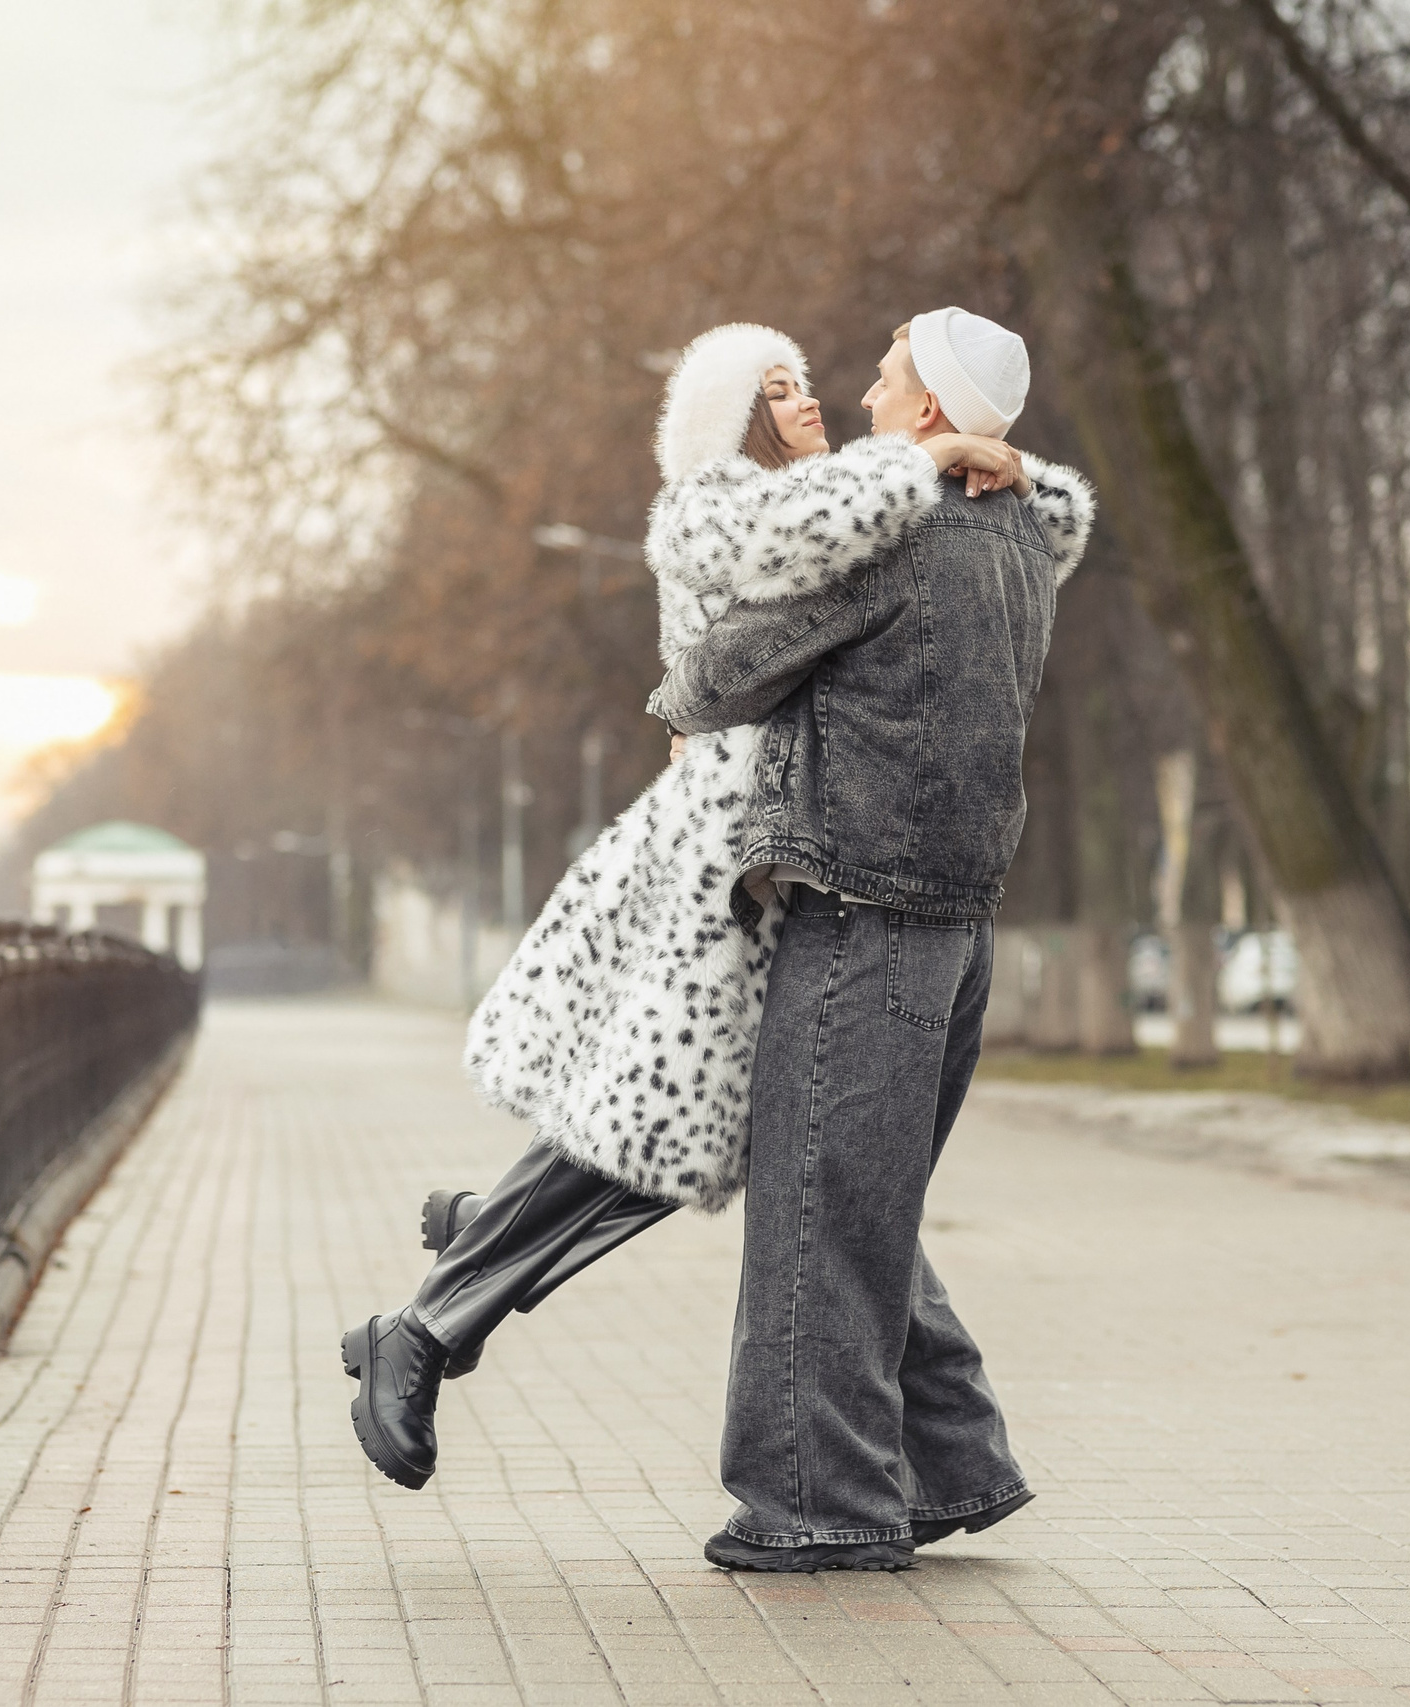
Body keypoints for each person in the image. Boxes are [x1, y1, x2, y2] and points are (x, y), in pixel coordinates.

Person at [340, 319, 1094, 1499]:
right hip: (728, 867)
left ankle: (475, 1257)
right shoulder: (746, 507)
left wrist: (976, 464)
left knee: (814, 1178)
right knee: (732, 1145)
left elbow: (945, 536)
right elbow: (717, 667)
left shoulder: (884, 503)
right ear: (731, 419)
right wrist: (939, 463)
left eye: (850, 384)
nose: (825, 401)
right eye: (777, 392)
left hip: (798, 865)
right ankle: (449, 1299)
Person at [646, 306, 1091, 1573]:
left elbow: (735, 666)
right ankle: (951, 1465)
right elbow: (890, 611)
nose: (864, 386)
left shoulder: (895, 534)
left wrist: (680, 697)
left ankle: (819, 1500)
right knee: (861, 1205)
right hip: (952, 927)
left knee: (817, 1212)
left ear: (931, 415)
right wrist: (820, 468)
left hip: (858, 913)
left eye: (884, 377)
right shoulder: (1011, 530)